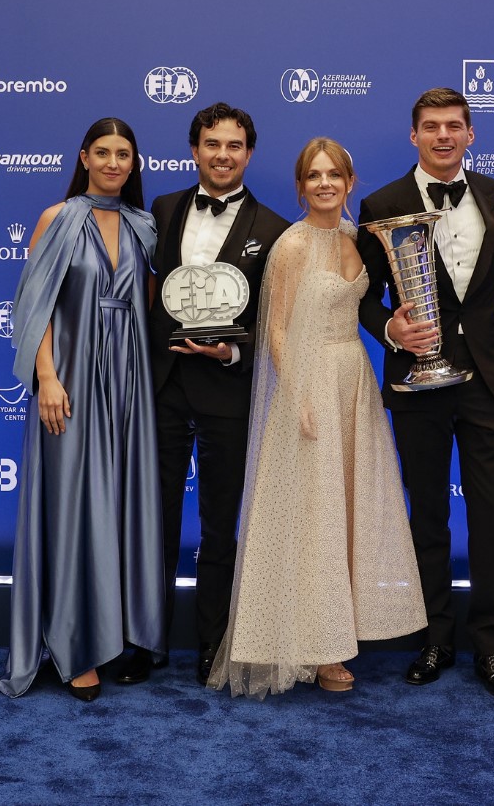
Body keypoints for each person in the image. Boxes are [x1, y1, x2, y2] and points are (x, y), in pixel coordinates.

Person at [209, 138, 426, 698]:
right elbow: (276, 327)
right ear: (301, 185)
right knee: (314, 516)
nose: (325, 183)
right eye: (313, 175)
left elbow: (370, 310)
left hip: (352, 380)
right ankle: (315, 646)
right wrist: (297, 390)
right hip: (308, 387)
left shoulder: (358, 240)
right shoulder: (291, 245)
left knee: (346, 511)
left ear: (350, 182)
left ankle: (339, 629)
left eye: (334, 174)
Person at [357, 87, 494, 699]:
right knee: (426, 513)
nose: (444, 136)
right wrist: (389, 330)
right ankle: (435, 638)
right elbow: (364, 295)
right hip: (416, 380)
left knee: (489, 515)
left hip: (488, 378)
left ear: (471, 134)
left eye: (455, 126)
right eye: (431, 127)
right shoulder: (382, 203)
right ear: (414, 136)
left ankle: (491, 646)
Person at [0, 117, 163, 701]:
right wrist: (46, 376)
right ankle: (72, 648)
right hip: (69, 381)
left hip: (129, 387)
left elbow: (150, 309)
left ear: (134, 163)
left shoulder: (145, 227)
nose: (114, 162)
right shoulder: (58, 219)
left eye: (124, 154)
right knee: (71, 510)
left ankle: (115, 633)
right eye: (104, 152)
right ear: (84, 157)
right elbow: (34, 308)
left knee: (118, 507)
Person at [133, 103, 289, 686]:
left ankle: (213, 643)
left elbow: (277, 321)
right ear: (194, 149)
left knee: (220, 525)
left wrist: (230, 352)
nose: (223, 155)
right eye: (212, 144)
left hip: (229, 388)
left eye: (234, 145)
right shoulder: (166, 208)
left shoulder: (273, 229)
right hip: (165, 385)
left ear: (249, 153)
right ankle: (144, 642)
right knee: (154, 519)